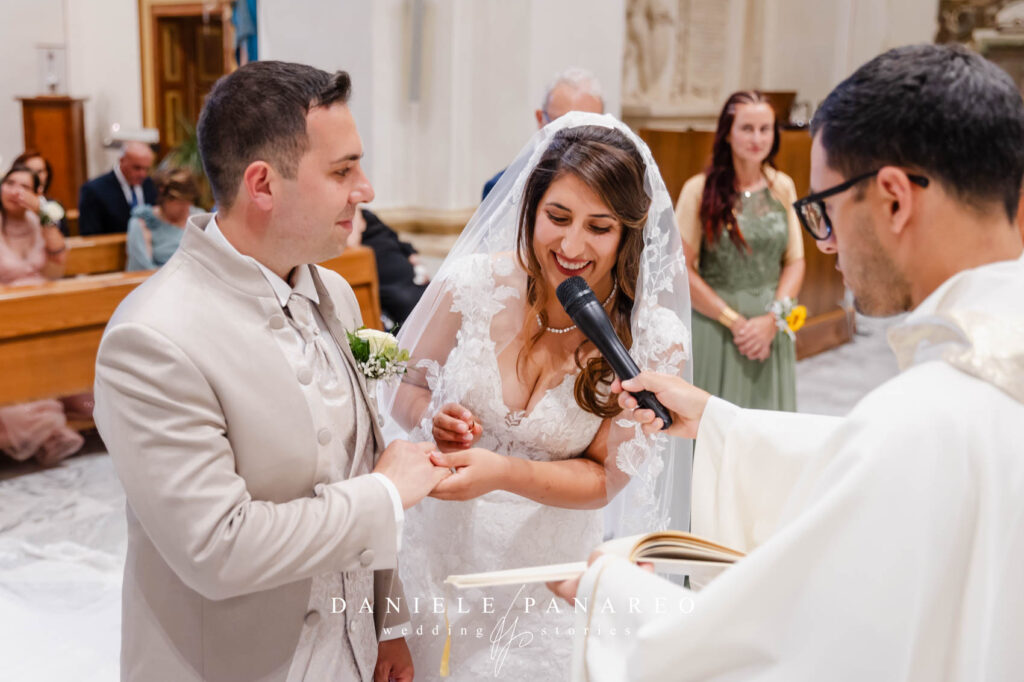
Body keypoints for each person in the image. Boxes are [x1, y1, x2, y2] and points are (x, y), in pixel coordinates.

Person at [551, 44, 1024, 681]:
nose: (826, 243)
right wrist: (721, 423)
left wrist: (615, 597)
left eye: (824, 208)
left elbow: (794, 656)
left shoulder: (925, 421)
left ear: (893, 199)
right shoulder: (971, 385)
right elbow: (868, 461)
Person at [92, 61, 454, 682]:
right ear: (262, 184)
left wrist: (387, 627)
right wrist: (387, 494)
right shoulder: (152, 338)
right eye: (342, 171)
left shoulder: (334, 293)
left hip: (349, 652)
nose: (365, 189)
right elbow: (218, 548)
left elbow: (358, 460)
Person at [382, 114, 692, 680]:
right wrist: (434, 416)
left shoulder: (652, 339)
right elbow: (405, 386)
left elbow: (605, 478)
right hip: (434, 557)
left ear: (628, 232)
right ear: (531, 209)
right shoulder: (472, 285)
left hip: (544, 580)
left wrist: (502, 472)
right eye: (558, 217)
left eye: (599, 227)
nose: (571, 246)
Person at [674, 91, 805, 410]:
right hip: (716, 327)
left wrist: (773, 320)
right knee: (714, 424)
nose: (757, 138)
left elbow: (795, 262)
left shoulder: (783, 187)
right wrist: (736, 323)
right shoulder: (698, 190)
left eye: (765, 129)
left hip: (770, 328)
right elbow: (680, 269)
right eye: (747, 128)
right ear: (727, 133)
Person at [0, 165, 83, 465]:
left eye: (24, 186)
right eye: (10, 183)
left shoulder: (40, 224)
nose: (15, 191)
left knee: (82, 389)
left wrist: (45, 217)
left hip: (44, 312)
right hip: (5, 318)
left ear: (37, 194)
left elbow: (56, 270)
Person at [481, 67, 605, 200]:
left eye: (588, 129)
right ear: (540, 119)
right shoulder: (500, 188)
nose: (577, 139)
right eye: (563, 126)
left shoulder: (613, 181)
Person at [346, 206, 429, 327]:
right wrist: (355, 217)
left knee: (439, 295)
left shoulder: (367, 214)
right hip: (389, 285)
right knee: (415, 306)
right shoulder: (347, 218)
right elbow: (351, 243)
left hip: (411, 279)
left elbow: (393, 236)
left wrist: (411, 254)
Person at [125, 168, 201, 270]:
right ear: (164, 198)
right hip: (161, 277)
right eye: (180, 202)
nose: (186, 207)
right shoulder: (142, 222)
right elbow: (141, 268)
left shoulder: (198, 217)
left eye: (189, 201)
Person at [77, 141, 157, 235]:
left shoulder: (151, 185)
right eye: (137, 168)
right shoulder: (94, 190)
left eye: (147, 169)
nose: (142, 174)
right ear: (122, 161)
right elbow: (90, 234)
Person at [12, 150, 68, 235]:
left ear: (47, 174)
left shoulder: (55, 205)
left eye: (40, 171)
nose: (36, 176)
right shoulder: (11, 206)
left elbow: (64, 237)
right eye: (30, 170)